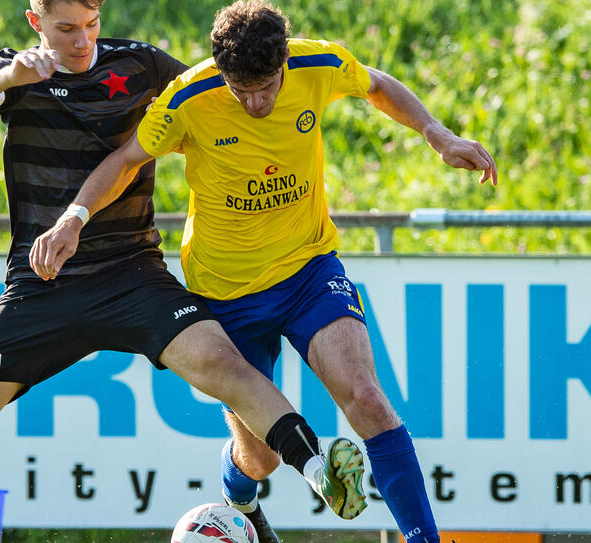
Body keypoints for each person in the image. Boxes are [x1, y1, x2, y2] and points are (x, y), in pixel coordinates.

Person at [0, 1, 367, 541]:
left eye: (91, 26)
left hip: (133, 272)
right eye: (66, 30)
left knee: (225, 364)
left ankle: (318, 470)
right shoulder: (16, 70)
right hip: (41, 286)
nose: (82, 41)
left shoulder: (142, 65)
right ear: (35, 22)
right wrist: (11, 74)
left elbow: (216, 92)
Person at [31, 1, 499, 541]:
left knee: (367, 398)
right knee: (261, 457)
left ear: (283, 64)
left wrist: (435, 132)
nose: (256, 102)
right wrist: (74, 218)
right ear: (220, 72)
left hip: (308, 270)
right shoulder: (188, 96)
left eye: (267, 88)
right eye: (241, 90)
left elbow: (377, 84)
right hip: (226, 293)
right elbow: (125, 160)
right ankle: (238, 493)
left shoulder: (317, 65)